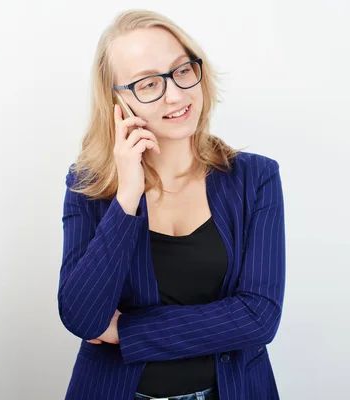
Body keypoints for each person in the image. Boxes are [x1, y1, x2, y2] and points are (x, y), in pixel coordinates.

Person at [57, 8, 286, 400]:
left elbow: (258, 317)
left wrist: (125, 331)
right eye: (148, 84)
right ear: (117, 102)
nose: (176, 94)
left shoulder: (256, 178)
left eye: (182, 70)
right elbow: (83, 318)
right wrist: (127, 194)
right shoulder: (88, 185)